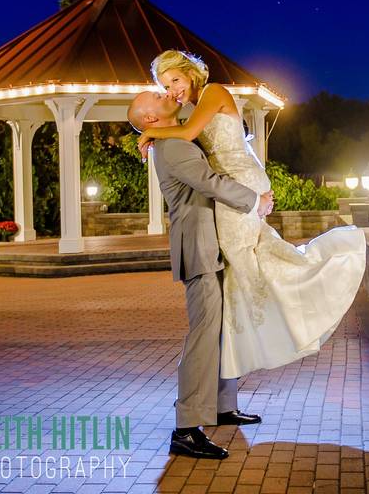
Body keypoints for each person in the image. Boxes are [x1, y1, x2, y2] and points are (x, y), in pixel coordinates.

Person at [137, 50, 367, 380]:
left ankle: (290, 322)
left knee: (245, 273)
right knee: (247, 269)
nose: (172, 89)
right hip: (239, 186)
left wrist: (149, 133)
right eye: (164, 85)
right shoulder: (194, 109)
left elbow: (187, 137)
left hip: (241, 186)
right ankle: (235, 370)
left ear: (190, 73)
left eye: (175, 80)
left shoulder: (213, 92)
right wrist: (156, 132)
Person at [127, 90, 274, 460]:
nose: (167, 94)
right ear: (149, 118)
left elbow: (199, 116)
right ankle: (187, 427)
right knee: (204, 336)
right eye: (158, 96)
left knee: (221, 329)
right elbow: (209, 182)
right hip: (199, 247)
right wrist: (254, 201)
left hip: (214, 243)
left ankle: (223, 406)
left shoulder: (175, 137)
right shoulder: (172, 149)